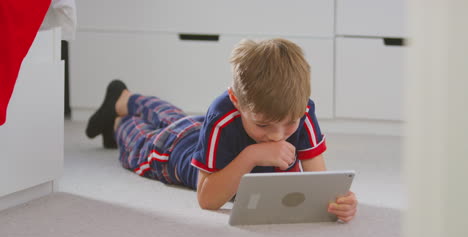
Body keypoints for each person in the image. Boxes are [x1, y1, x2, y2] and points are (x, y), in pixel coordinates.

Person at [86, 38, 357, 222]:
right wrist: (252, 155)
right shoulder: (222, 114)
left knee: (174, 117)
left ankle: (124, 98)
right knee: (143, 141)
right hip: (174, 150)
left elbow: (319, 185)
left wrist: (339, 203)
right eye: (263, 125)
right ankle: (118, 120)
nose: (277, 135)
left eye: (289, 124)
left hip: (200, 130)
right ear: (237, 103)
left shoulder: (303, 110)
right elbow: (207, 200)